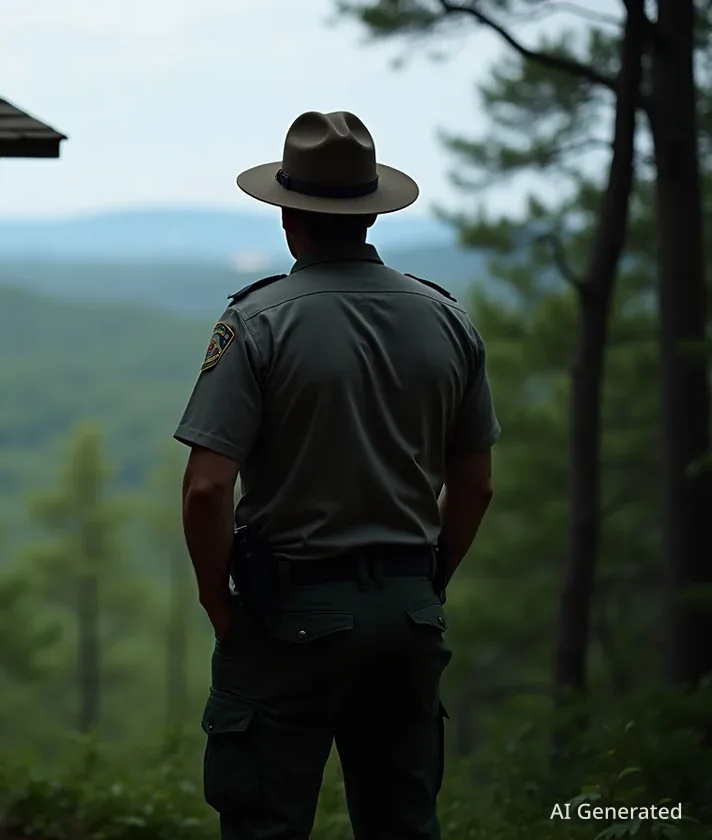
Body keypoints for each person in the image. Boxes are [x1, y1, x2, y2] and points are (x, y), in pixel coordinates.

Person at [174, 110, 500, 840]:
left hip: (288, 613)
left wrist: (217, 603)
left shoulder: (258, 321)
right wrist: (425, 582)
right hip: (408, 615)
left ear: (289, 217)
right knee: (403, 822)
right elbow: (475, 484)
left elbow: (206, 487)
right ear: (371, 213)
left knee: (266, 822)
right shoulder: (448, 319)